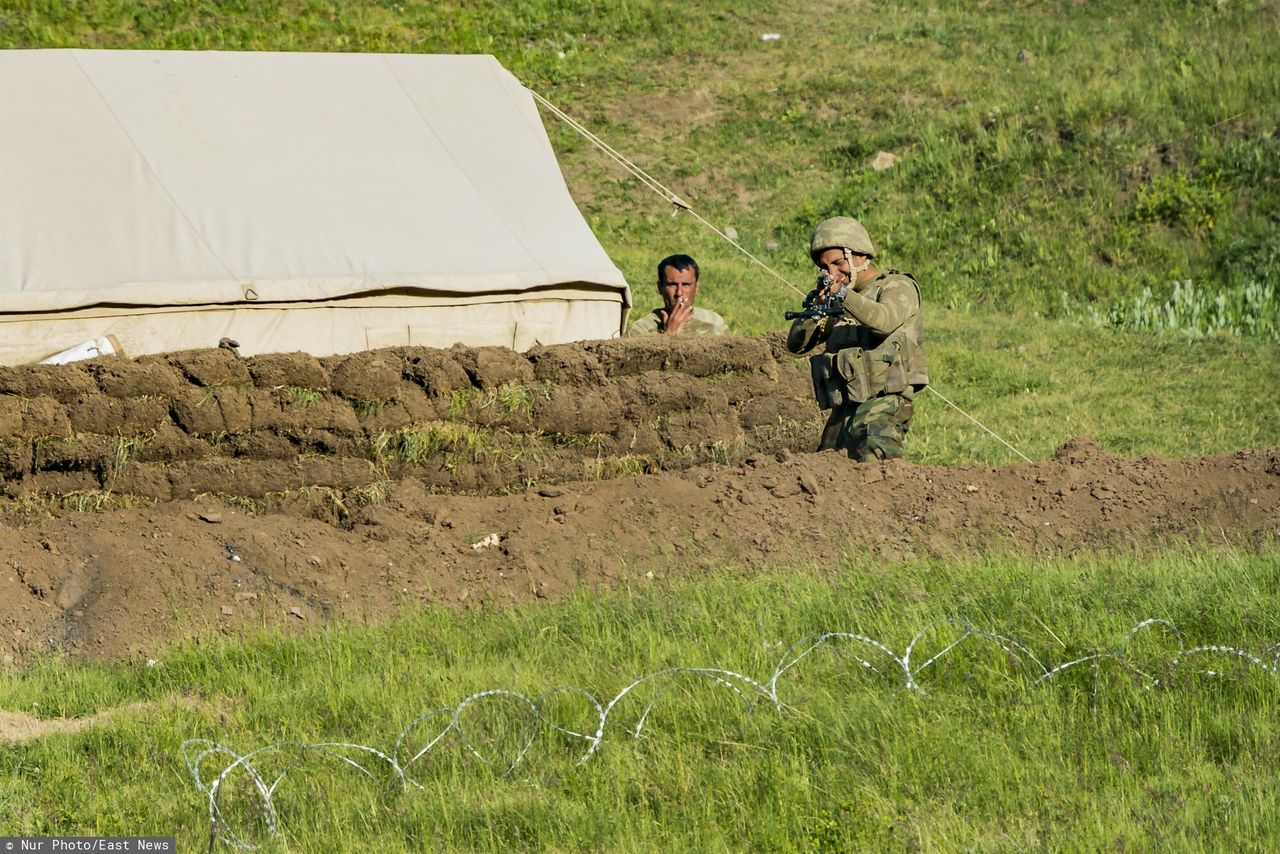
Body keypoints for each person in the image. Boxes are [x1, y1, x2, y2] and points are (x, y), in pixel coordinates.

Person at [786, 216, 928, 461]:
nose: (833, 273)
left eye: (838, 263)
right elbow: (796, 344)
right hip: (843, 410)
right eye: (825, 267)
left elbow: (883, 321)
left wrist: (842, 294)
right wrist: (817, 309)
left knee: (874, 472)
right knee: (825, 475)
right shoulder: (839, 300)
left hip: (882, 406)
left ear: (860, 255)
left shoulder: (896, 286)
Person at [627, 253, 728, 336]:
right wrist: (669, 334)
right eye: (672, 285)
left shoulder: (714, 322)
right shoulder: (641, 330)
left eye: (686, 285)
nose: (679, 293)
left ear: (696, 287)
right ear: (660, 287)